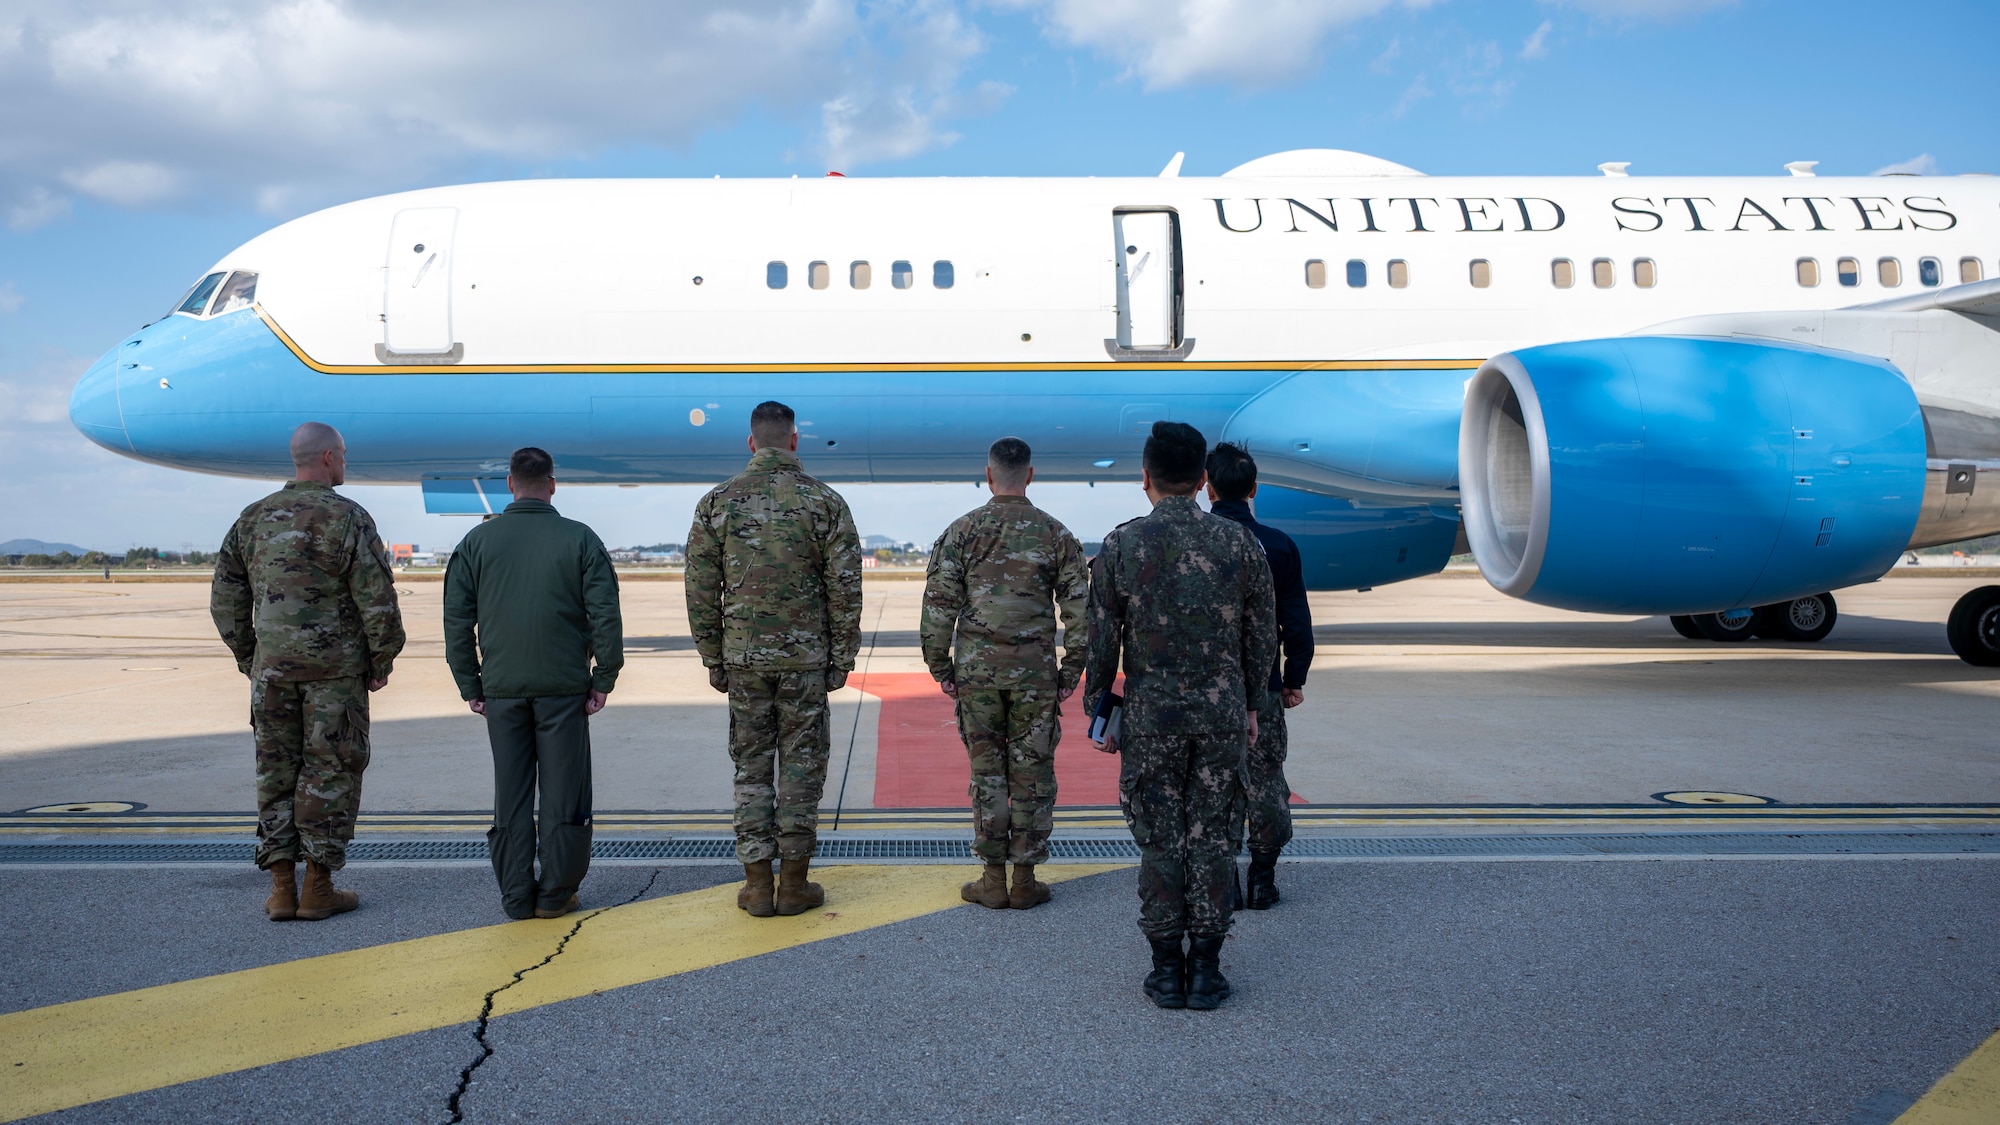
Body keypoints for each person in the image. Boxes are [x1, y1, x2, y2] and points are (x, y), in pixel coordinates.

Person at [1085, 421, 1276, 1010]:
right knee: (1214, 839)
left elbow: (1100, 642)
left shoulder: (1122, 545)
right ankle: (1207, 973)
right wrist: (1251, 705)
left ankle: (1167, 971)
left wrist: (1100, 711)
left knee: (1161, 842)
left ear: (1145, 477)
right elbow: (1261, 637)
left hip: (1152, 721)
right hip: (1221, 718)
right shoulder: (1239, 544)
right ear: (1201, 481)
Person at [211, 421, 405, 922]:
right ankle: (318, 889)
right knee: (330, 770)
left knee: (275, 772)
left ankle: (281, 889)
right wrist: (381, 660)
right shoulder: (348, 517)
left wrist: (251, 658)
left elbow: (225, 600)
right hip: (334, 675)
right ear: (327, 458)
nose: (345, 462)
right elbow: (377, 599)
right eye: (343, 454)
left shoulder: (252, 518)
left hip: (272, 675)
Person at [686, 401, 862, 917]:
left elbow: (700, 588)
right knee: (802, 769)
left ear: (751, 442)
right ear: (794, 440)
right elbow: (845, 589)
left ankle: (758, 885)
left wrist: (713, 657)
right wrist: (841, 658)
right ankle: (795, 884)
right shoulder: (825, 501)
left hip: (744, 661)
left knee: (752, 770)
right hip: (805, 661)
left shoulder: (717, 502)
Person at [444, 447, 624, 921]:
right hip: (563, 689)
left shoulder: (475, 542)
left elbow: (456, 621)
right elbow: (606, 615)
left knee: (511, 793)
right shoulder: (581, 539)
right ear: (552, 484)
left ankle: (516, 896)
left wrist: (470, 684)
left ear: (509, 484)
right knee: (564, 793)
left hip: (501, 689)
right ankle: (555, 894)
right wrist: (604, 676)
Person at [921, 437, 1090, 911]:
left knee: (987, 773)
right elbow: (1080, 611)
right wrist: (1070, 671)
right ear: (1030, 475)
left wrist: (941, 667)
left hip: (977, 675)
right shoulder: (1055, 533)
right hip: (1035, 675)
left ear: (989, 475)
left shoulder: (962, 531)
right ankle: (1025, 880)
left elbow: (938, 607)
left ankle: (992, 879)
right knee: (1032, 773)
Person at [1206, 442, 1313, 910]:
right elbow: (1296, 620)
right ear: (1253, 488)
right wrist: (1293, 677)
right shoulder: (1278, 544)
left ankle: (1225, 878)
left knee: (1214, 783)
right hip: (1262, 686)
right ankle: (1262, 878)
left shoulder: (1197, 541)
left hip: (1206, 690)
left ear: (1208, 488)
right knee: (1266, 778)